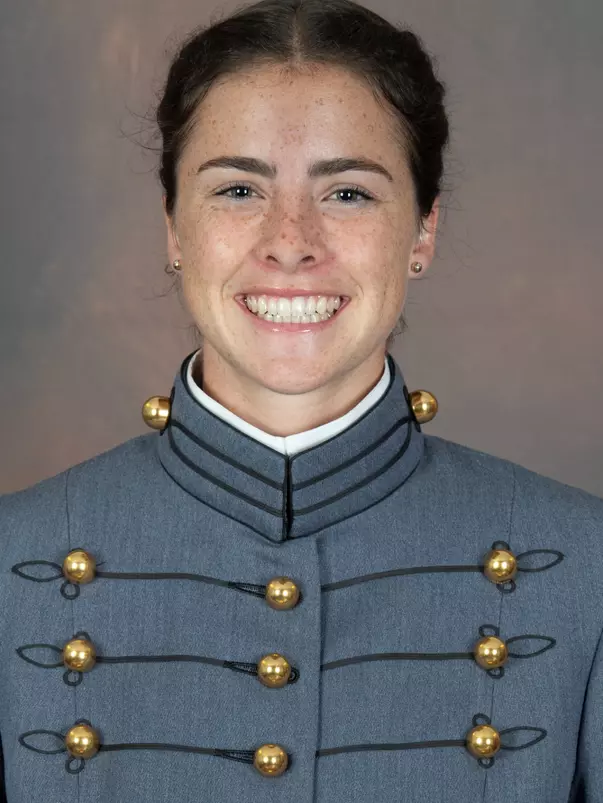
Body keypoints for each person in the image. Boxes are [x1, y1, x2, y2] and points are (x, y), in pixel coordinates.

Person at [0, 0, 601, 800]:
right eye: (238, 189)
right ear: (174, 229)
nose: (290, 239)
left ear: (421, 231)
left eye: (348, 192)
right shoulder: (11, 563)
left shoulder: (584, 567)